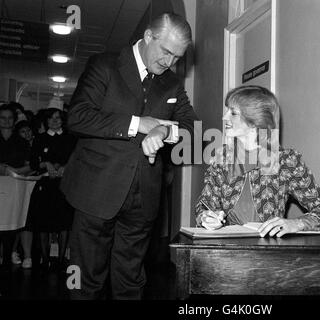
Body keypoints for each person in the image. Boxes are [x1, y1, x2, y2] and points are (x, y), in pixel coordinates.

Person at [60, 13, 198, 299]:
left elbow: (189, 129)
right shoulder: (104, 65)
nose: (170, 63)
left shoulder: (171, 83)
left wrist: (161, 132)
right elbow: (78, 117)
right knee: (83, 278)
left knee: (131, 281)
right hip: (95, 192)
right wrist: (139, 123)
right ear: (148, 37)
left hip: (143, 197)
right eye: (166, 52)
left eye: (177, 57)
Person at [195, 86, 320, 237]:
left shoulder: (284, 160)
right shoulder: (223, 158)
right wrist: (205, 217)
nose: (224, 117)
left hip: (268, 253)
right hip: (226, 250)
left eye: (233, 113)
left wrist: (296, 223)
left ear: (254, 121)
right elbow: (205, 204)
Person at [25, 108, 76, 270]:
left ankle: (61, 260)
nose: (55, 121)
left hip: (65, 184)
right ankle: (45, 259)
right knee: (43, 223)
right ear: (46, 121)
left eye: (58, 118)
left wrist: (66, 167)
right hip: (46, 184)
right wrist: (45, 163)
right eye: (52, 118)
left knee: (64, 223)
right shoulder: (40, 138)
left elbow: (77, 159)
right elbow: (33, 162)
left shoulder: (70, 138)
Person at [0, 104, 31, 267]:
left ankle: (7, 259)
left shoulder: (21, 142)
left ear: (14, 120)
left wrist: (14, 171)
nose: (6, 121)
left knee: (10, 226)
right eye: (3, 118)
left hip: (14, 186)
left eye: (9, 118)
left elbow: (29, 166)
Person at [11, 120, 35, 268]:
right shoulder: (15, 146)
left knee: (28, 221)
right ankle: (12, 252)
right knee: (15, 220)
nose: (27, 134)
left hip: (33, 185)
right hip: (16, 185)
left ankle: (28, 256)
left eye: (28, 130)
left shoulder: (38, 144)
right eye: (22, 131)